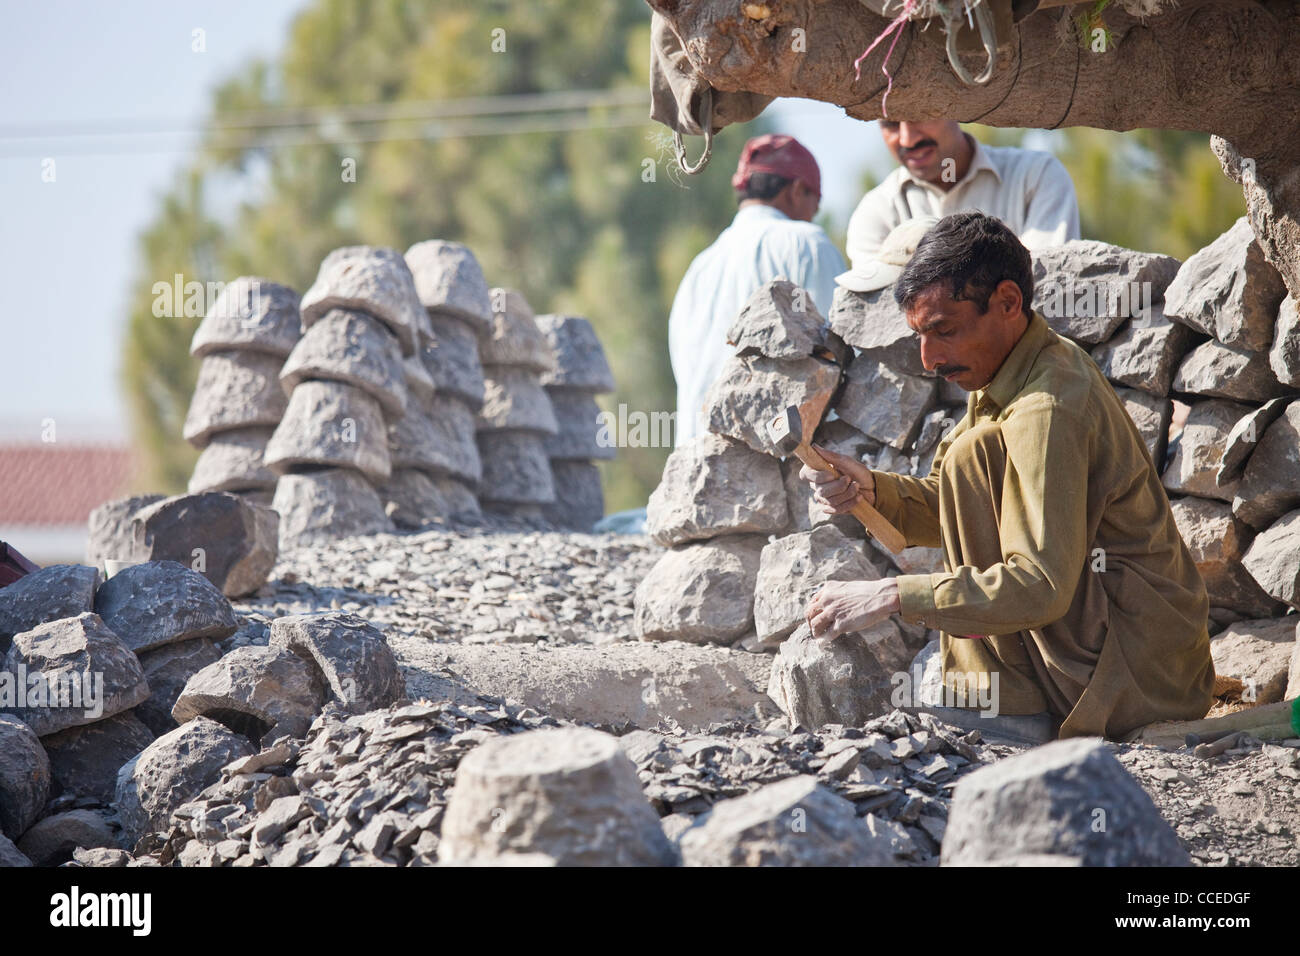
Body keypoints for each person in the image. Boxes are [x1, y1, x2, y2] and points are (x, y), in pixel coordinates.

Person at [801, 212, 1214, 742]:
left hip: (1142, 676)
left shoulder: (1048, 407)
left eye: (943, 331)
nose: (929, 359)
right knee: (971, 456)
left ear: (1008, 303)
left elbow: (1040, 587)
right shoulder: (1009, 370)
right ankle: (1002, 696)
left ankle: (1005, 707)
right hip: (1117, 647)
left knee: (972, 453)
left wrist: (893, 594)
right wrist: (874, 491)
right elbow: (965, 504)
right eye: (920, 336)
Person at [668, 134, 846, 446]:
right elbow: (839, 354)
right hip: (772, 470)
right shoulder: (807, 244)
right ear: (796, 191)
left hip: (695, 465)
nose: (813, 214)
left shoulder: (699, 268)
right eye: (813, 203)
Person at [845, 121, 1080, 270]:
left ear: (956, 105)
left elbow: (1045, 281)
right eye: (891, 124)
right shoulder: (877, 210)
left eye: (920, 114)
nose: (908, 139)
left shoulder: (1035, 176)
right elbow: (880, 311)